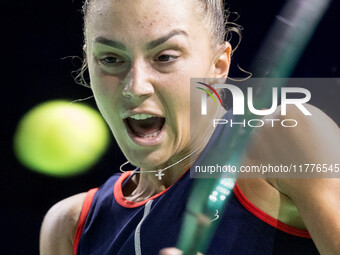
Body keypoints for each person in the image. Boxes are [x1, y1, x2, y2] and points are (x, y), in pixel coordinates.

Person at [39, 0, 340, 254]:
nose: (135, 86)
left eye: (165, 57)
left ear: (218, 66)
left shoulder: (286, 137)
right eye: (111, 58)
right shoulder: (69, 228)